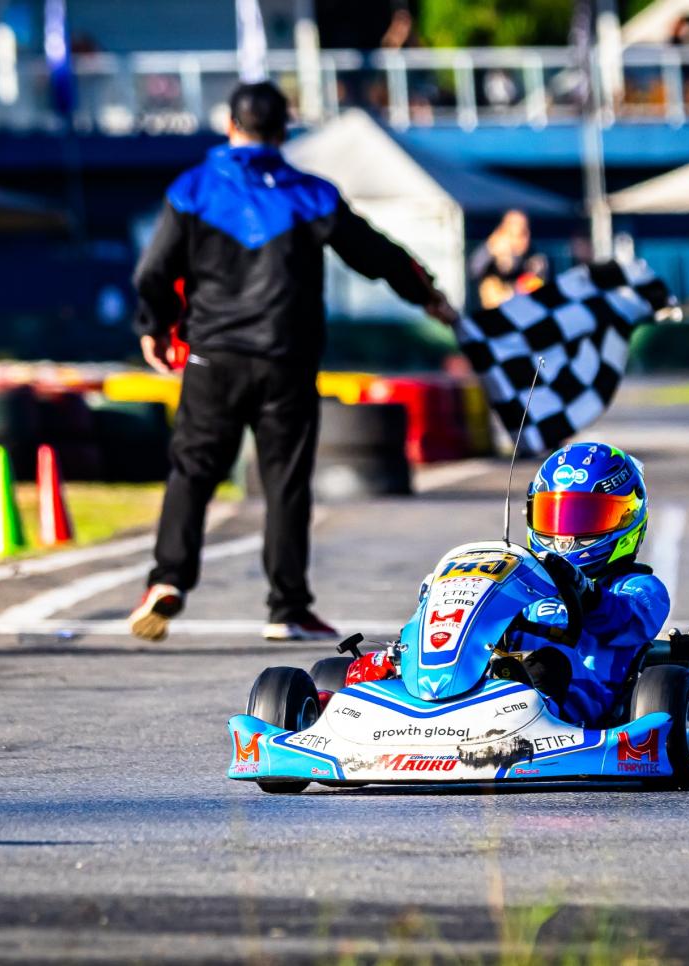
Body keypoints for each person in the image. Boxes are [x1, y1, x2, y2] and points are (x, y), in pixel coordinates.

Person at [128, 80, 457, 643]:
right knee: (285, 482)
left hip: (214, 357)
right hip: (287, 360)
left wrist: (154, 328)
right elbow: (374, 253)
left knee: (194, 470)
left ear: (229, 125)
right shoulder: (311, 194)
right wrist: (424, 293)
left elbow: (152, 273)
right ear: (284, 132)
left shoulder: (193, 189)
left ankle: (168, 579)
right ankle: (286, 608)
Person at [508, 442, 670, 727]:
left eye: (586, 516)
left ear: (628, 517)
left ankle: (524, 712)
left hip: (586, 698)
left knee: (547, 666)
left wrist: (585, 590)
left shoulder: (641, 588)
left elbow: (625, 620)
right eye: (554, 515)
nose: (566, 535)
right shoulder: (526, 583)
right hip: (509, 679)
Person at [469, 210, 547, 311]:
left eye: (524, 232)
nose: (523, 239)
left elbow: (534, 287)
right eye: (514, 234)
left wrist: (509, 292)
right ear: (502, 232)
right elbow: (473, 271)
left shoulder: (535, 259)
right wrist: (490, 248)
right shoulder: (490, 253)